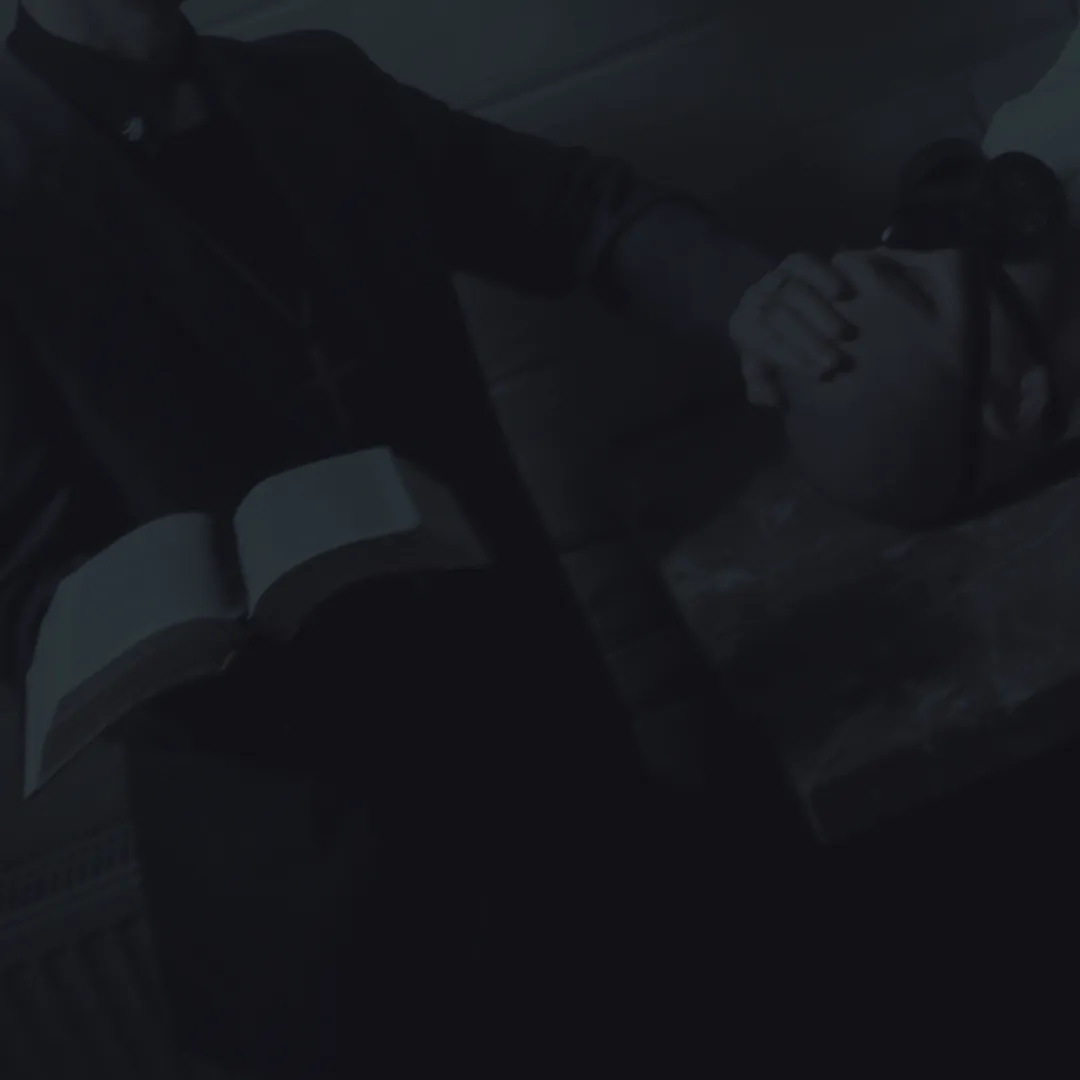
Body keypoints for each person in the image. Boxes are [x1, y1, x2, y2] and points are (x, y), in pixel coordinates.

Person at [0, 0, 819, 1074]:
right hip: (322, 906)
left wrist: (753, 299)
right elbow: (24, 593)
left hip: (560, 798)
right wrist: (186, 634)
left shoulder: (319, 83)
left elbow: (581, 208)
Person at [728, 25, 1080, 527]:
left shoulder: (1035, 137)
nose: (950, 238)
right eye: (915, 286)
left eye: (897, 245)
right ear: (1017, 400)